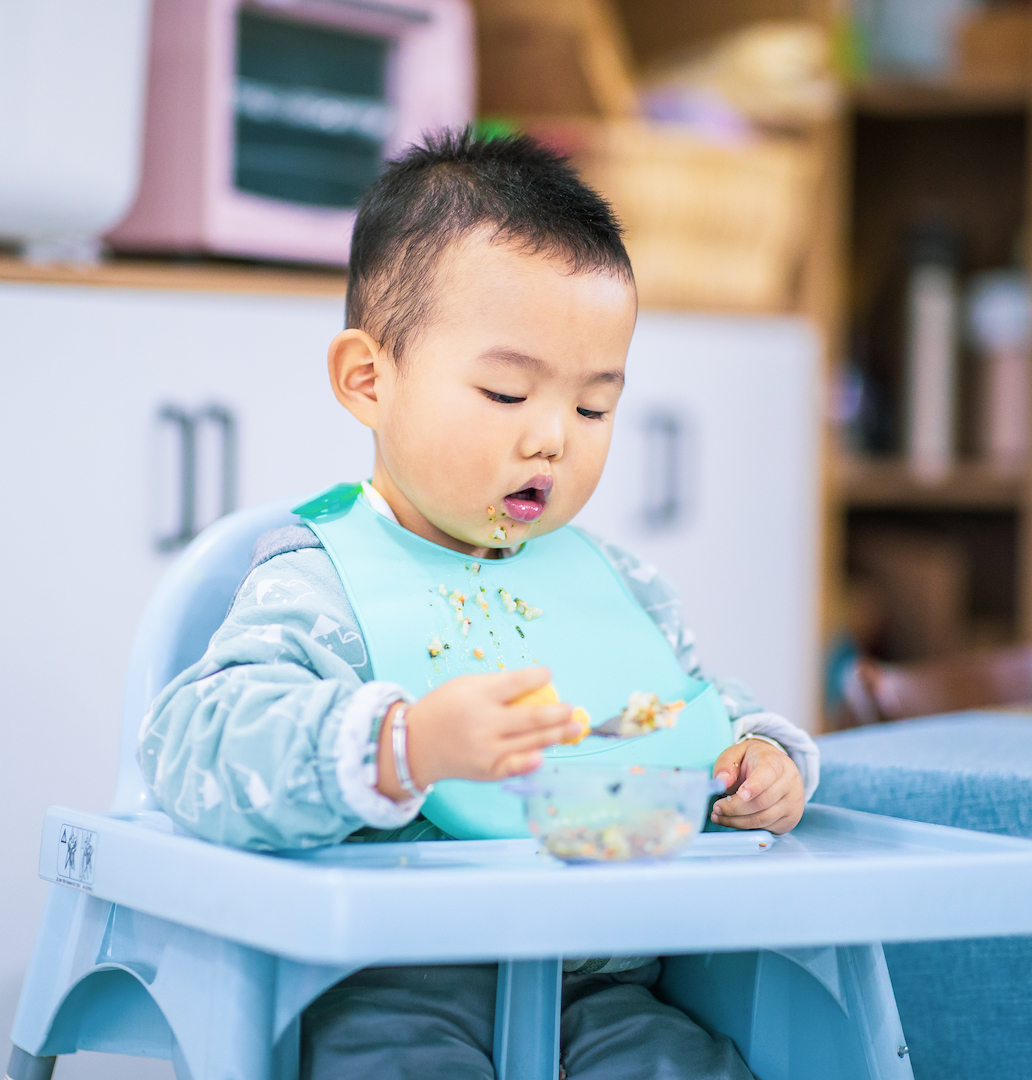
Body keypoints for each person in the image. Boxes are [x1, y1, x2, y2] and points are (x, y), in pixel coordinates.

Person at [139, 128, 818, 1080]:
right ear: (368, 380)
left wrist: (762, 761)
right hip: (393, 980)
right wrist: (402, 743)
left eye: (592, 408)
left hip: (602, 983)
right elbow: (194, 744)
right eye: (506, 392)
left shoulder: (617, 583)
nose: (552, 439)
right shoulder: (319, 582)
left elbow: (689, 711)